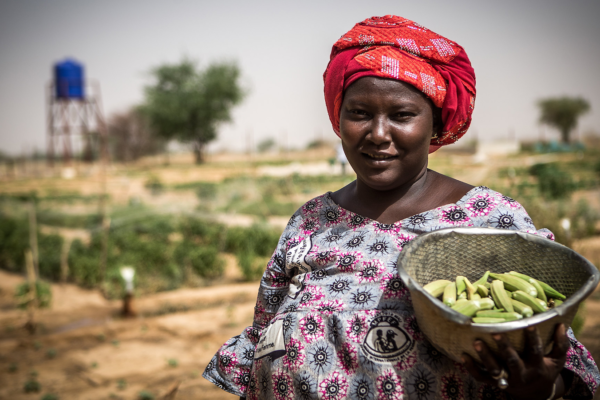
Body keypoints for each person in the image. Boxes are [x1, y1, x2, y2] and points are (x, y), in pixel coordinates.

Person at [203, 15, 599, 400]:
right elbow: (263, 342)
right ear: (339, 119)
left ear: (434, 124)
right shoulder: (310, 222)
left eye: (401, 115)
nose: (377, 134)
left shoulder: (490, 217)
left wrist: (542, 387)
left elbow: (553, 353)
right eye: (359, 113)